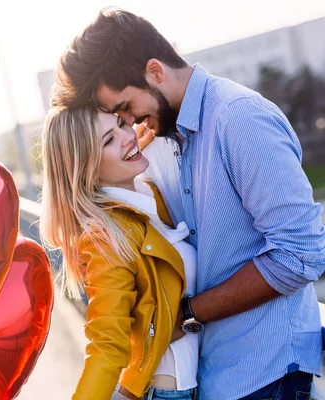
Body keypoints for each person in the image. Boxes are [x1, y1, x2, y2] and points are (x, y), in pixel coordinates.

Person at [51, 7, 325, 400]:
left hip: (266, 375)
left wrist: (189, 312)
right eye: (118, 119)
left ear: (155, 71)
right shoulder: (161, 139)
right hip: (213, 378)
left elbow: (301, 254)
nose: (130, 123)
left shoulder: (238, 119)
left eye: (126, 107)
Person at [40, 106, 199, 400]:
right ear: (86, 167)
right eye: (107, 141)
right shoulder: (105, 237)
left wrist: (128, 142)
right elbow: (106, 345)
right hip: (168, 391)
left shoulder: (149, 195)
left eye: (121, 125)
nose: (127, 137)